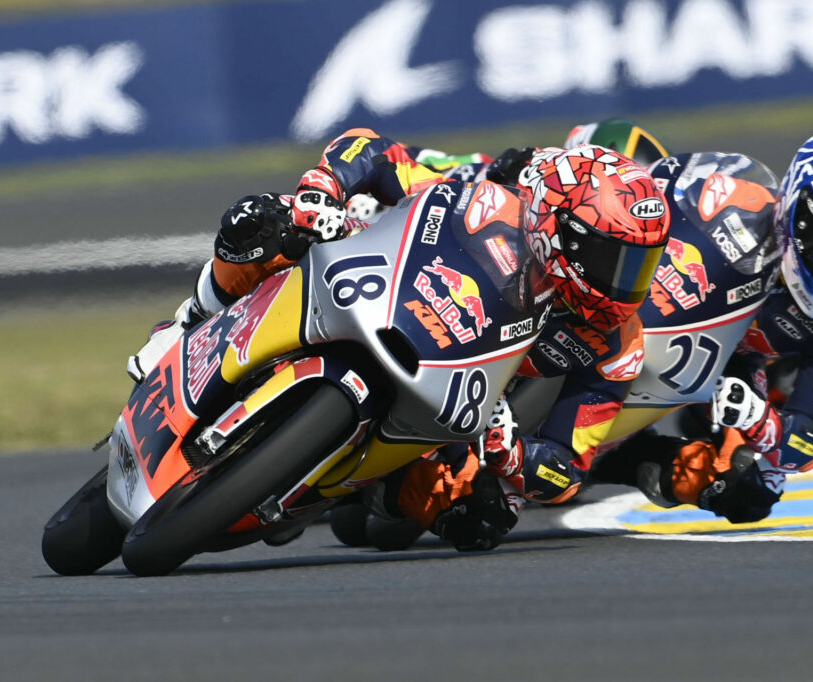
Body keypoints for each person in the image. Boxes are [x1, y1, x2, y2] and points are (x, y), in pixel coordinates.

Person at [128, 126, 672, 551]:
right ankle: (190, 322)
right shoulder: (484, 196)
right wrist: (324, 190)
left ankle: (367, 490)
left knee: (482, 519)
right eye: (614, 259)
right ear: (556, 228)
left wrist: (513, 454)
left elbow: (567, 466)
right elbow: (374, 150)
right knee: (262, 221)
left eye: (641, 264)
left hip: (461, 408)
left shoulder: (617, 343)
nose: (629, 282)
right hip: (378, 288)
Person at [591, 133, 813, 524]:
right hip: (649, 303)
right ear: (802, 216)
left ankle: (639, 461)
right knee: (617, 150)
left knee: (751, 494)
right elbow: (656, 185)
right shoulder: (726, 193)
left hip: (727, 368)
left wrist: (759, 420)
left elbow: (808, 444)